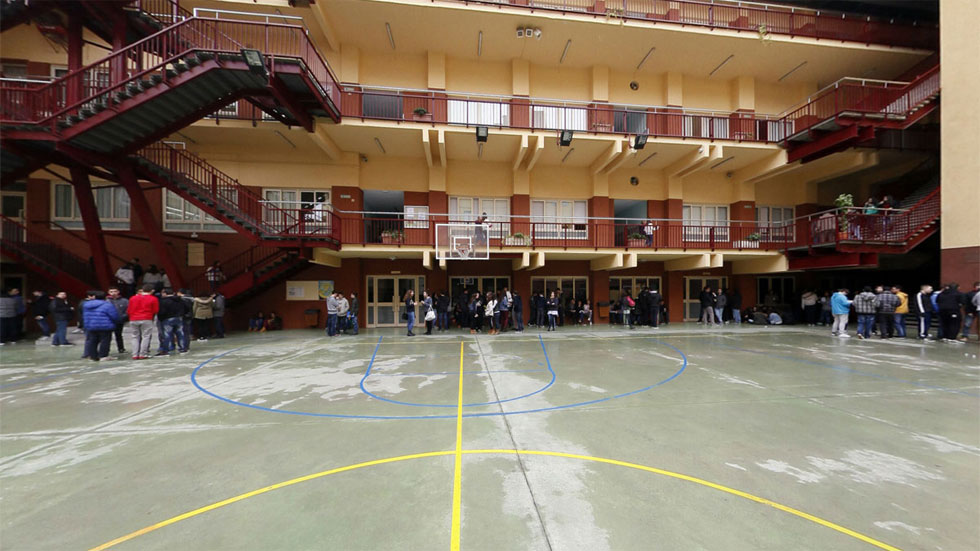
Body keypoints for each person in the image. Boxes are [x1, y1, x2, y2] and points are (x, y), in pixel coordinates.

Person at [81, 290, 119, 361]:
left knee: (93, 341)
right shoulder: (107, 305)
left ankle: (93, 356)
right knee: (105, 341)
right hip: (105, 326)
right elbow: (114, 315)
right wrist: (116, 322)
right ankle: (103, 356)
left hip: (91, 325)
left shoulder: (86, 305)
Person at [127, 284, 159, 359]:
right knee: (146, 336)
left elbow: (129, 310)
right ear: (152, 291)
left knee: (135, 337)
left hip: (133, 319)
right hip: (147, 318)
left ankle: (135, 354)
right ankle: (143, 354)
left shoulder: (133, 298)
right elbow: (155, 310)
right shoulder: (153, 299)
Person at [155, 288, 186, 356]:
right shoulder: (180, 300)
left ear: (165, 293)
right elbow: (186, 308)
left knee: (167, 335)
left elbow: (161, 312)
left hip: (167, 319)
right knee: (180, 334)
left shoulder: (163, 301)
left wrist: (161, 319)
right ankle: (183, 348)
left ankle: (166, 350)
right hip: (179, 318)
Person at [106, 287, 129, 354]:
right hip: (108, 321)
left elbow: (128, 309)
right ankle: (106, 350)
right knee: (107, 336)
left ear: (118, 292)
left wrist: (123, 317)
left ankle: (121, 348)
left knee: (119, 335)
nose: (113, 293)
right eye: (111, 291)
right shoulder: (106, 301)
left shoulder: (124, 301)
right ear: (108, 292)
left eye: (115, 291)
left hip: (119, 321)